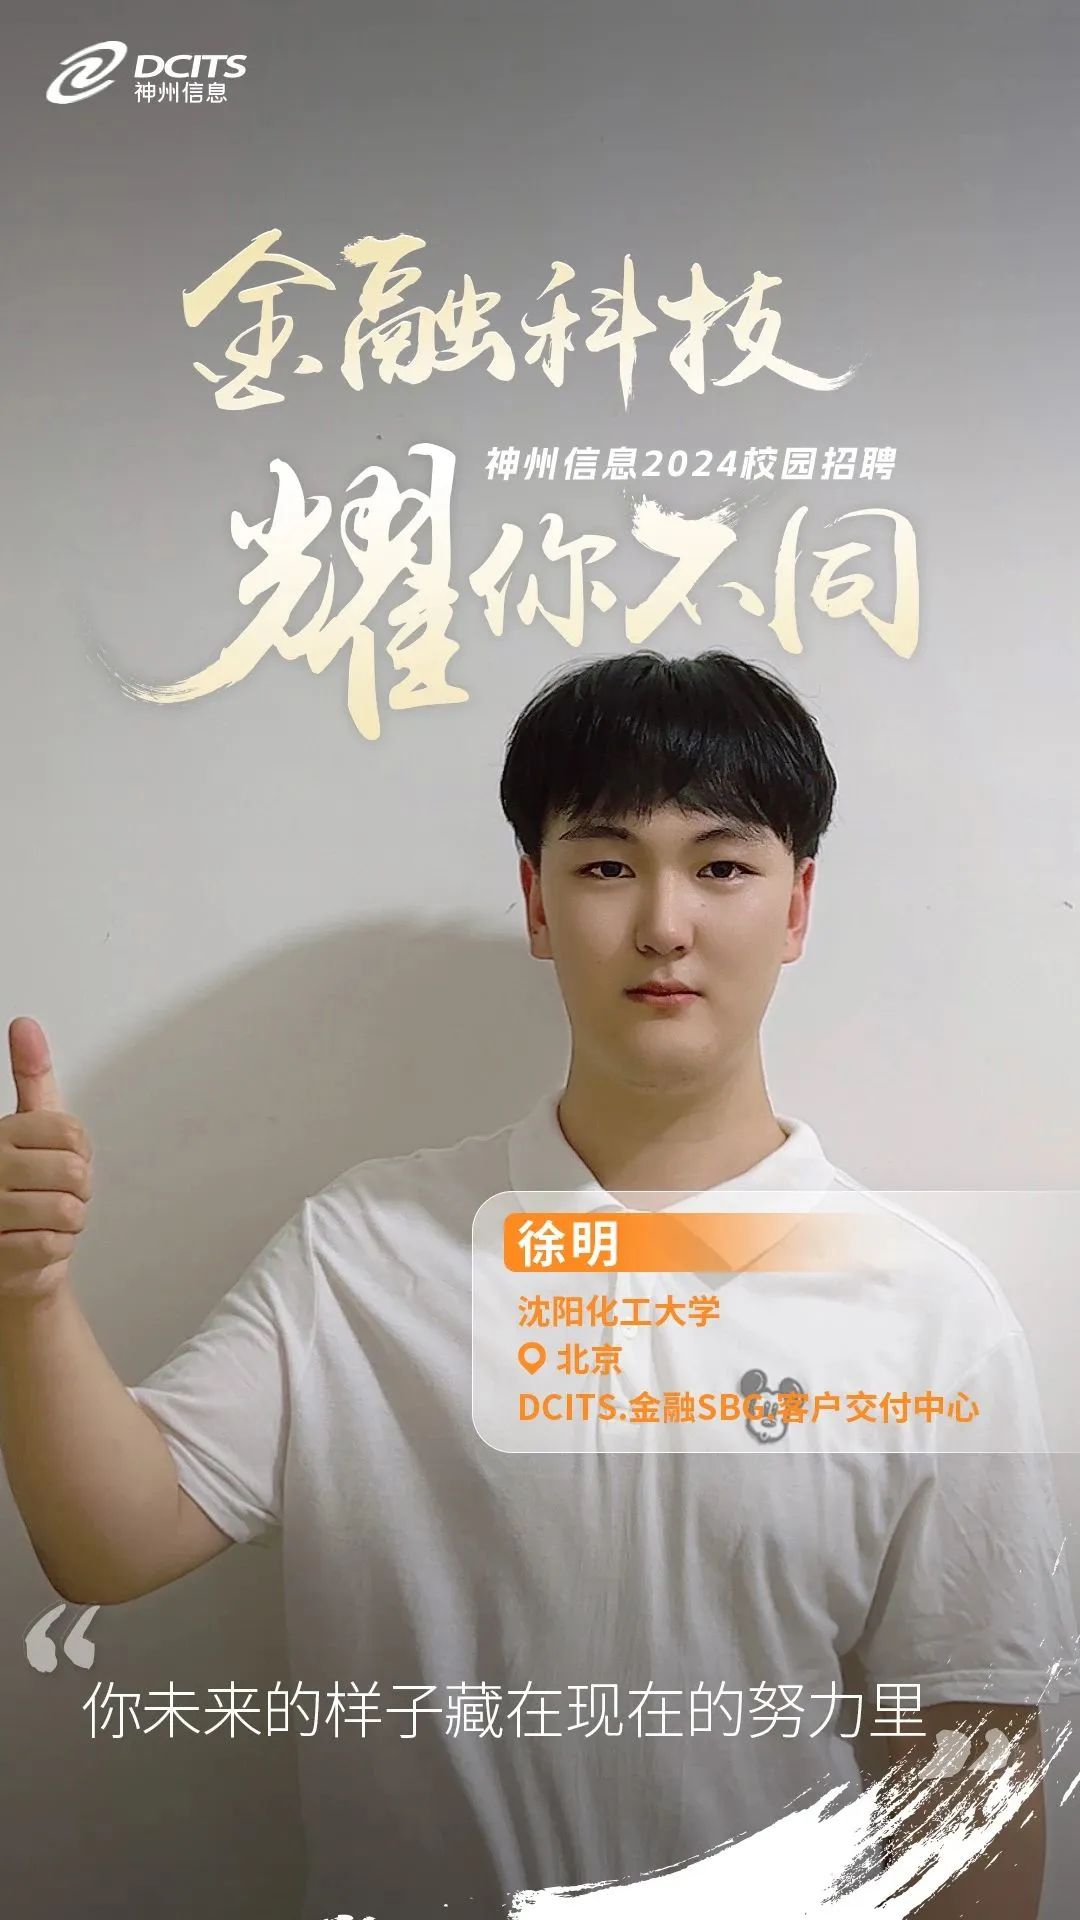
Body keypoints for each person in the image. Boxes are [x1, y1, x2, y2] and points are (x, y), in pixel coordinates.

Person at [1, 649, 1077, 1918]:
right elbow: (109, 1541)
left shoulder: (927, 1313)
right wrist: (29, 1297)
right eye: (608, 865)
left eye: (722, 867)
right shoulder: (367, 1250)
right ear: (536, 900)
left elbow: (968, 1788)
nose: (664, 923)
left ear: (796, 907)